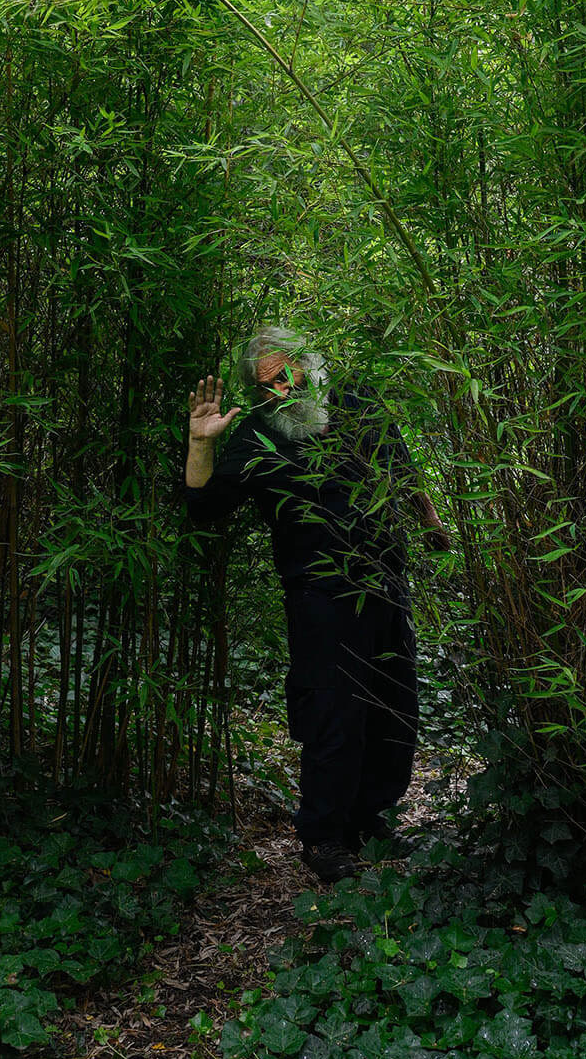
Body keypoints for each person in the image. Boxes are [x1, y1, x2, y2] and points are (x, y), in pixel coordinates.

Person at [183, 326, 452, 884]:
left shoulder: (356, 399)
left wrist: (430, 522)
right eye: (268, 386)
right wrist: (201, 443)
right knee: (334, 711)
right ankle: (325, 837)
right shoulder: (257, 436)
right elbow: (203, 508)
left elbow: (399, 468)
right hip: (320, 595)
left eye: (288, 375)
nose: (282, 390)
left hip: (385, 578)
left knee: (393, 703)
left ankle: (368, 815)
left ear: (311, 364)